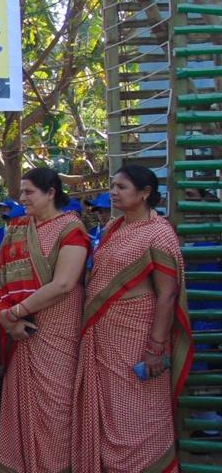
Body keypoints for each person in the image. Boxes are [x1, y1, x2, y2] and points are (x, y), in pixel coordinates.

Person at [72, 165, 192, 472]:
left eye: (122, 187)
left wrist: (155, 348)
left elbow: (167, 294)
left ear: (145, 193)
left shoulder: (159, 233)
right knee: (110, 409)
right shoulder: (114, 227)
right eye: (113, 186)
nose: (113, 192)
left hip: (137, 337)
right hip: (104, 334)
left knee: (140, 412)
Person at [0, 167, 90, 473]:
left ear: (51, 193)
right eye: (21, 192)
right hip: (18, 325)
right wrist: (7, 317)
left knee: (54, 407)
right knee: (21, 404)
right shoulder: (17, 228)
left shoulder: (71, 229)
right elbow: (1, 276)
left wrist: (17, 312)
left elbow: (64, 284)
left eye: (29, 192)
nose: (22, 198)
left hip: (57, 324)